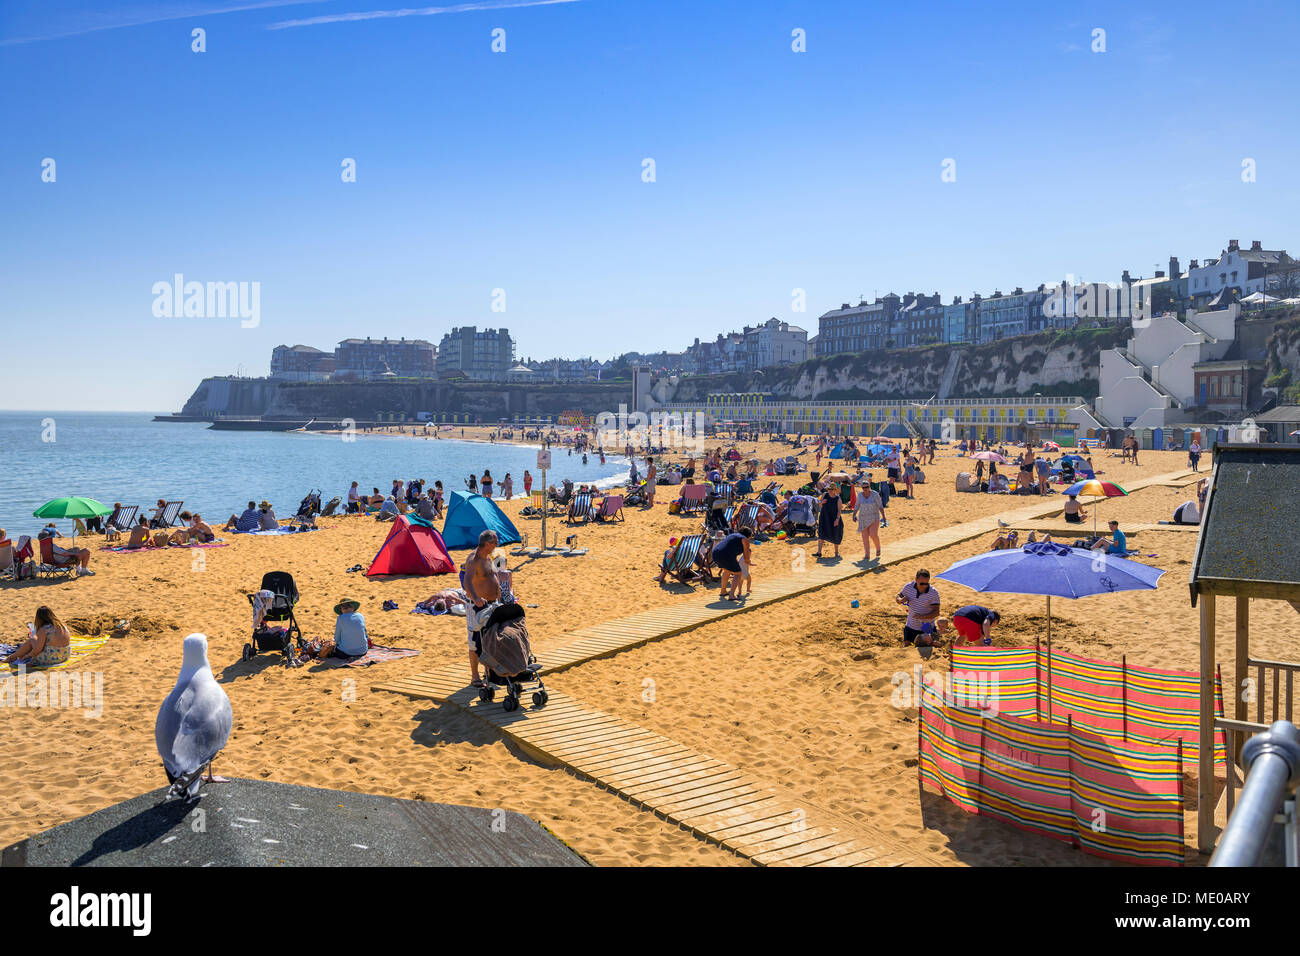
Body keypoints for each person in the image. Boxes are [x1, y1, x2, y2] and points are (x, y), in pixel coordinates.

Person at [464, 529, 501, 687]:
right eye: (495, 542)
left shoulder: (489, 556)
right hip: (476, 607)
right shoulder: (474, 559)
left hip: (492, 605)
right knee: (475, 642)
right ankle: (474, 676)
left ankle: (488, 672)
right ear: (487, 543)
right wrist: (477, 598)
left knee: (489, 639)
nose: (497, 544)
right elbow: (467, 582)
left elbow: (494, 576)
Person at [4, 606, 71, 668]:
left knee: (32, 640)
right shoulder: (62, 626)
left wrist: (28, 656)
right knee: (36, 642)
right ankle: (16, 656)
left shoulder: (44, 629)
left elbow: (37, 650)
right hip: (65, 656)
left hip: (51, 659)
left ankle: (12, 657)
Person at [896, 570, 941, 647]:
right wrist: (900, 600)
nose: (924, 586)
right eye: (921, 583)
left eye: (926, 583)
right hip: (911, 626)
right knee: (906, 646)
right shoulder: (908, 587)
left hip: (927, 627)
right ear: (915, 579)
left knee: (932, 646)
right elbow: (898, 596)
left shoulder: (933, 592)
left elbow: (936, 612)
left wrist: (922, 616)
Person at [712, 528, 753, 599]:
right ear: (748, 535)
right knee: (738, 573)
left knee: (727, 571)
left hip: (715, 553)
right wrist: (748, 561)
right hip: (725, 555)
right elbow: (746, 557)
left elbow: (729, 548)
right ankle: (731, 595)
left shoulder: (733, 535)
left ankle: (723, 591)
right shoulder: (745, 539)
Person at [853, 479, 883, 560]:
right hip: (863, 518)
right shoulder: (859, 495)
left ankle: (878, 548)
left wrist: (884, 516)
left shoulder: (875, 494)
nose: (865, 489)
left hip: (874, 517)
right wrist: (854, 515)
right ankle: (867, 554)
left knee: (873, 534)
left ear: (869, 487)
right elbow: (857, 506)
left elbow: (880, 505)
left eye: (866, 487)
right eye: (863, 488)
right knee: (865, 537)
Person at [815, 482, 843, 558]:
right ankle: (819, 552)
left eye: (832, 489)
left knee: (835, 534)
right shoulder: (825, 495)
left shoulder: (838, 498)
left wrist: (837, 519)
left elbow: (839, 510)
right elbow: (819, 504)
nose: (830, 490)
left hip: (834, 518)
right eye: (829, 489)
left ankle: (836, 552)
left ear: (834, 490)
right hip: (824, 517)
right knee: (821, 533)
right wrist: (821, 502)